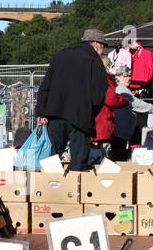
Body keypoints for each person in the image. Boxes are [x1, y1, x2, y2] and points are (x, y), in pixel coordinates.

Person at [35, 28, 110, 171]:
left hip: (55, 114)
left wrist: (41, 111)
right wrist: (91, 111)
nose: (102, 53)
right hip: (80, 117)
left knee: (51, 159)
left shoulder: (60, 55)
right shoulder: (94, 61)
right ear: (96, 44)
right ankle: (73, 190)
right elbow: (100, 93)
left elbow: (45, 86)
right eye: (103, 48)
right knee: (78, 163)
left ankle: (48, 189)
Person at [91, 55, 129, 162]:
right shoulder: (104, 81)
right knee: (102, 156)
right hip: (102, 122)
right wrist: (125, 100)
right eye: (110, 66)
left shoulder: (90, 79)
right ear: (106, 66)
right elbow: (112, 99)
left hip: (94, 122)